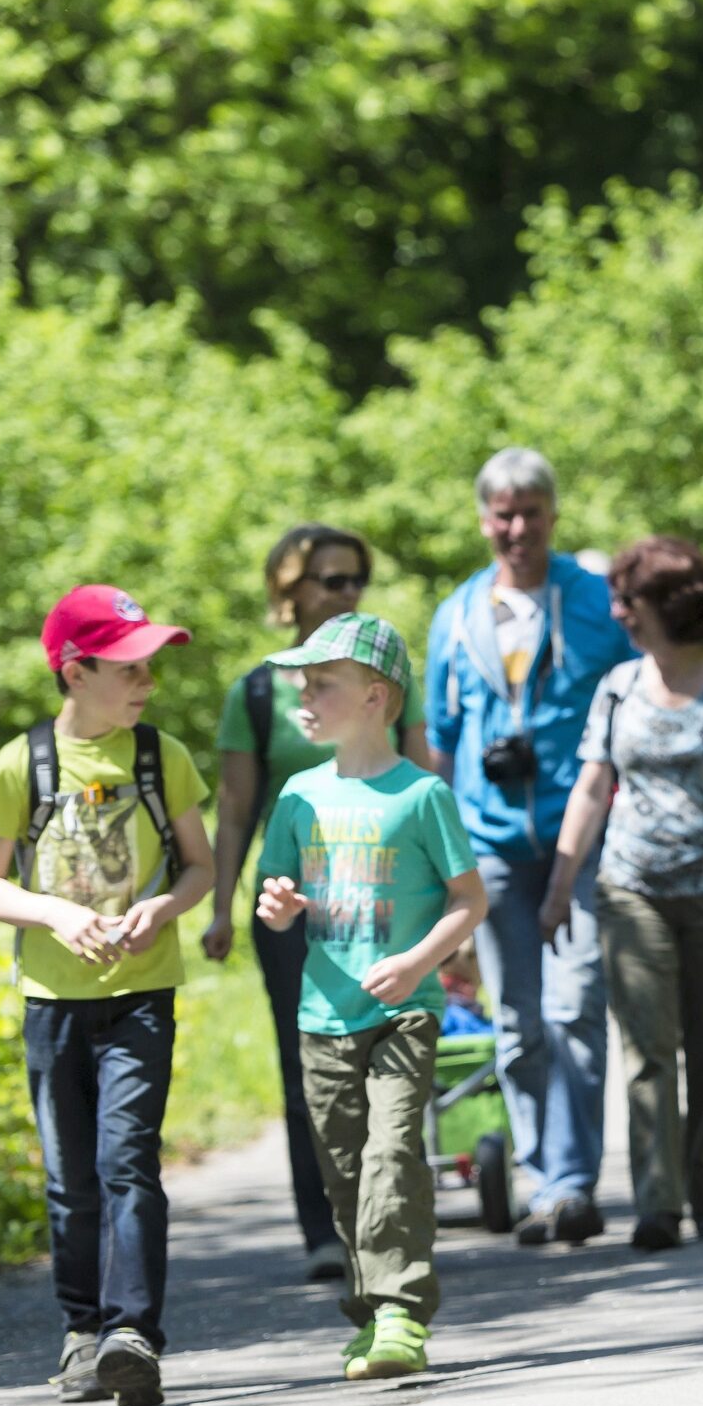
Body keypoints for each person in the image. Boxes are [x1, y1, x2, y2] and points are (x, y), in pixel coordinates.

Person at [0, 584, 217, 1406]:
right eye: (130, 666)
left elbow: (199, 865)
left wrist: (165, 906)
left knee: (127, 1162)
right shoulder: (23, 763)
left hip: (142, 992)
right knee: (70, 1176)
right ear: (75, 673)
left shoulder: (161, 756)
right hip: (53, 998)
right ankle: (82, 1332)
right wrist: (55, 912)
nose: (148, 680)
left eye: (151, 664)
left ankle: (132, 1333)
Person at [254, 613, 486, 1380]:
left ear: (375, 697)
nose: (304, 694)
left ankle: (401, 1309)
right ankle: (368, 1307)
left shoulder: (421, 796)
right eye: (301, 681)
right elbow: (277, 894)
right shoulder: (297, 795)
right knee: (345, 1169)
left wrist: (418, 959)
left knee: (392, 1151)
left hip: (403, 1008)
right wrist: (279, 905)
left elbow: (468, 899)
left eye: (323, 683)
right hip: (322, 1013)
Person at [203, 524, 434, 1282]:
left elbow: (423, 778)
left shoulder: (387, 676)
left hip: (387, 901)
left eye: (354, 580)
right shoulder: (260, 690)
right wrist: (218, 905)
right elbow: (237, 808)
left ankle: (390, 1224)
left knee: (391, 1057)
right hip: (297, 912)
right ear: (289, 590)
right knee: (313, 1068)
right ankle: (328, 1230)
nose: (345, 593)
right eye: (330, 580)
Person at [426, 450, 636, 1248]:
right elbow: (441, 743)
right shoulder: (456, 615)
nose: (517, 529)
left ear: (553, 513)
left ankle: (575, 1181)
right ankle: (546, 1176)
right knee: (515, 1019)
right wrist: (442, 862)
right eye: (502, 515)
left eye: (531, 512)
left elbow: (633, 703)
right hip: (492, 846)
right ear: (484, 520)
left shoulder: (593, 601)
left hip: (581, 838)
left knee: (576, 1003)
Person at [545, 538, 703, 1251]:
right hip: (630, 886)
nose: (618, 613)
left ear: (667, 605)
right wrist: (558, 886)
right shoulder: (617, 687)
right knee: (646, 1047)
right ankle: (657, 1202)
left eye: (628, 601)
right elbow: (591, 786)